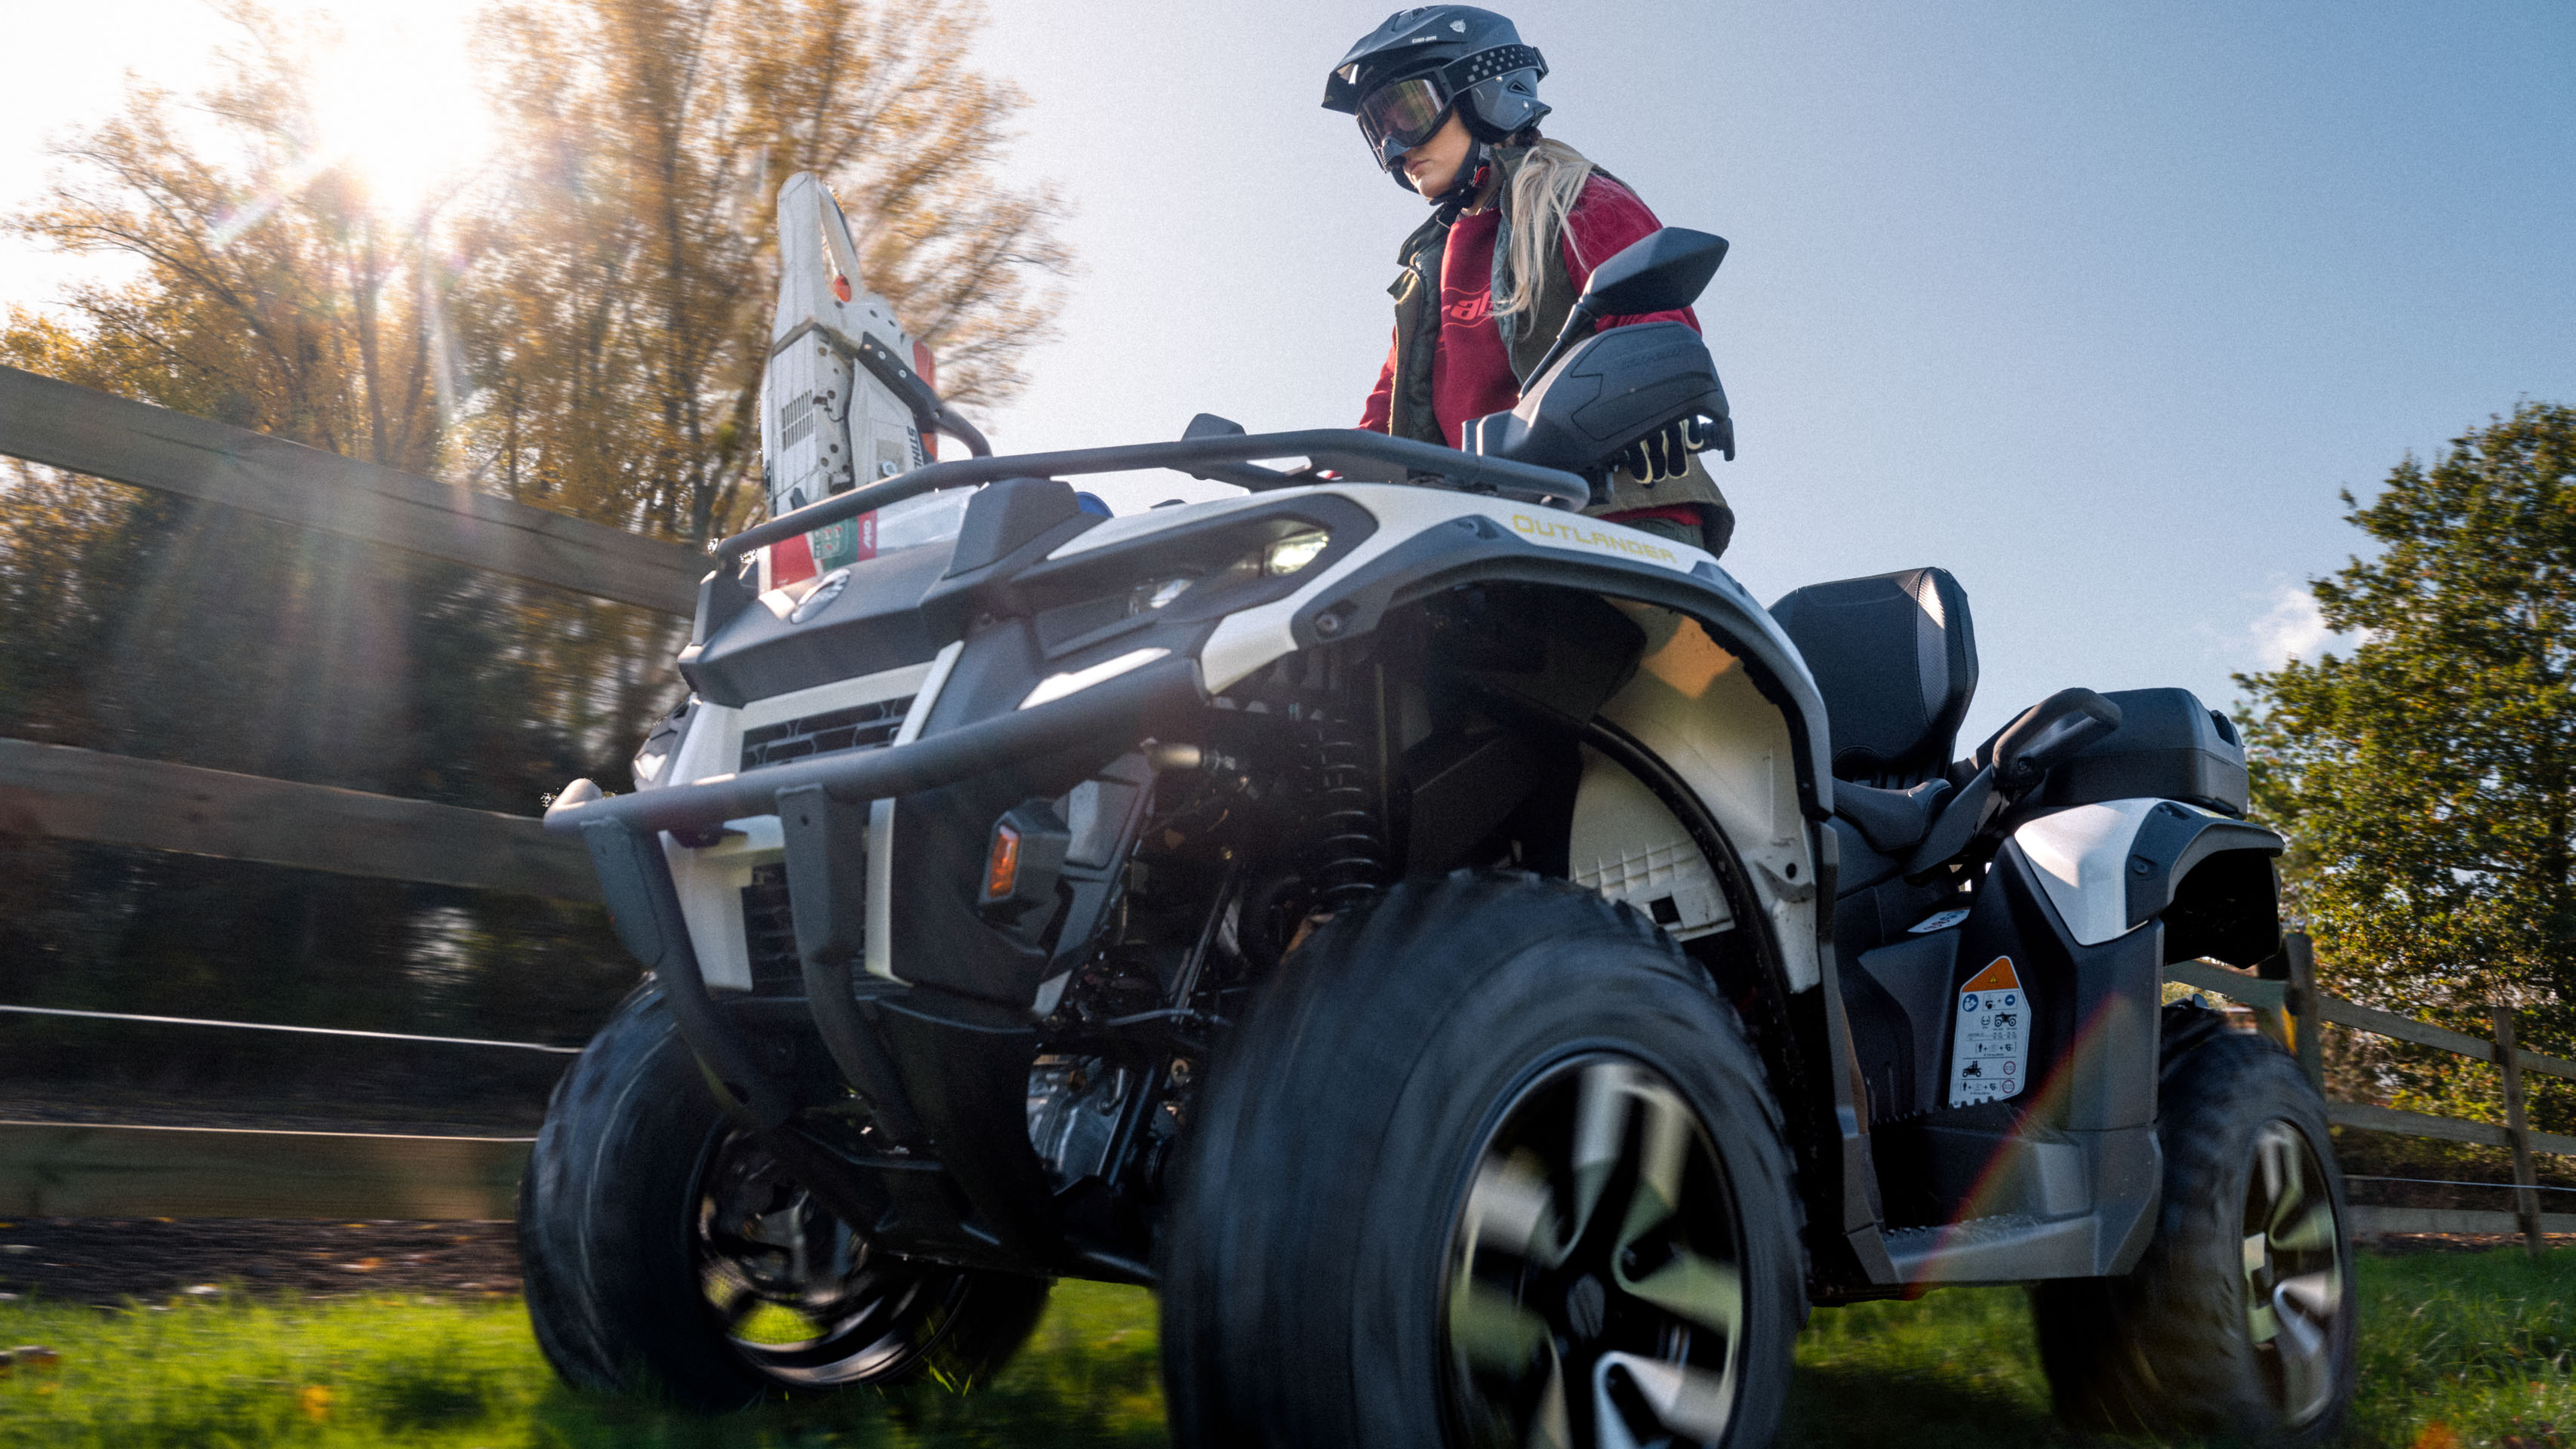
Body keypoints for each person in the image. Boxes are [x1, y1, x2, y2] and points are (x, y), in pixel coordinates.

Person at [1326, 6, 1734, 557]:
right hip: (1485, 538)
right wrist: (1315, 494)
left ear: (1485, 92)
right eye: (1378, 133)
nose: (1397, 150)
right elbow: (1384, 415)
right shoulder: (1426, 269)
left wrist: (1648, 406)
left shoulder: (1573, 200)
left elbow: (1654, 324)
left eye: (1409, 113)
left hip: (1617, 522)